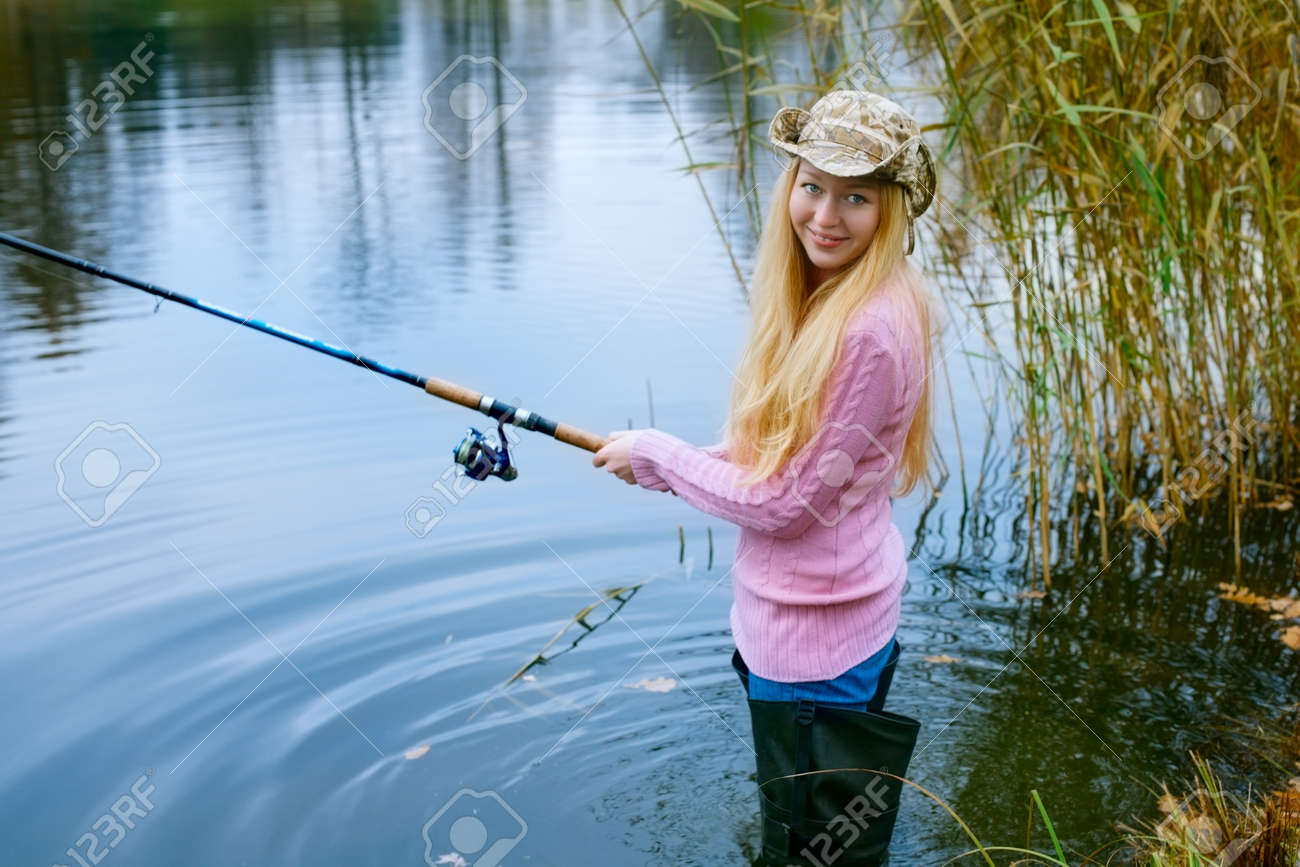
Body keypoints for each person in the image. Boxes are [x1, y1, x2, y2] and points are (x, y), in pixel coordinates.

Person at [592, 89, 938, 865]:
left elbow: (783, 504)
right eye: (813, 185)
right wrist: (662, 461)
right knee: (829, 838)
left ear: (891, 210)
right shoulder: (839, 298)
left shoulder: (869, 332)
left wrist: (662, 453)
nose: (825, 214)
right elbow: (782, 464)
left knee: (805, 851)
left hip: (814, 651)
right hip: (836, 625)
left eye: (857, 197)